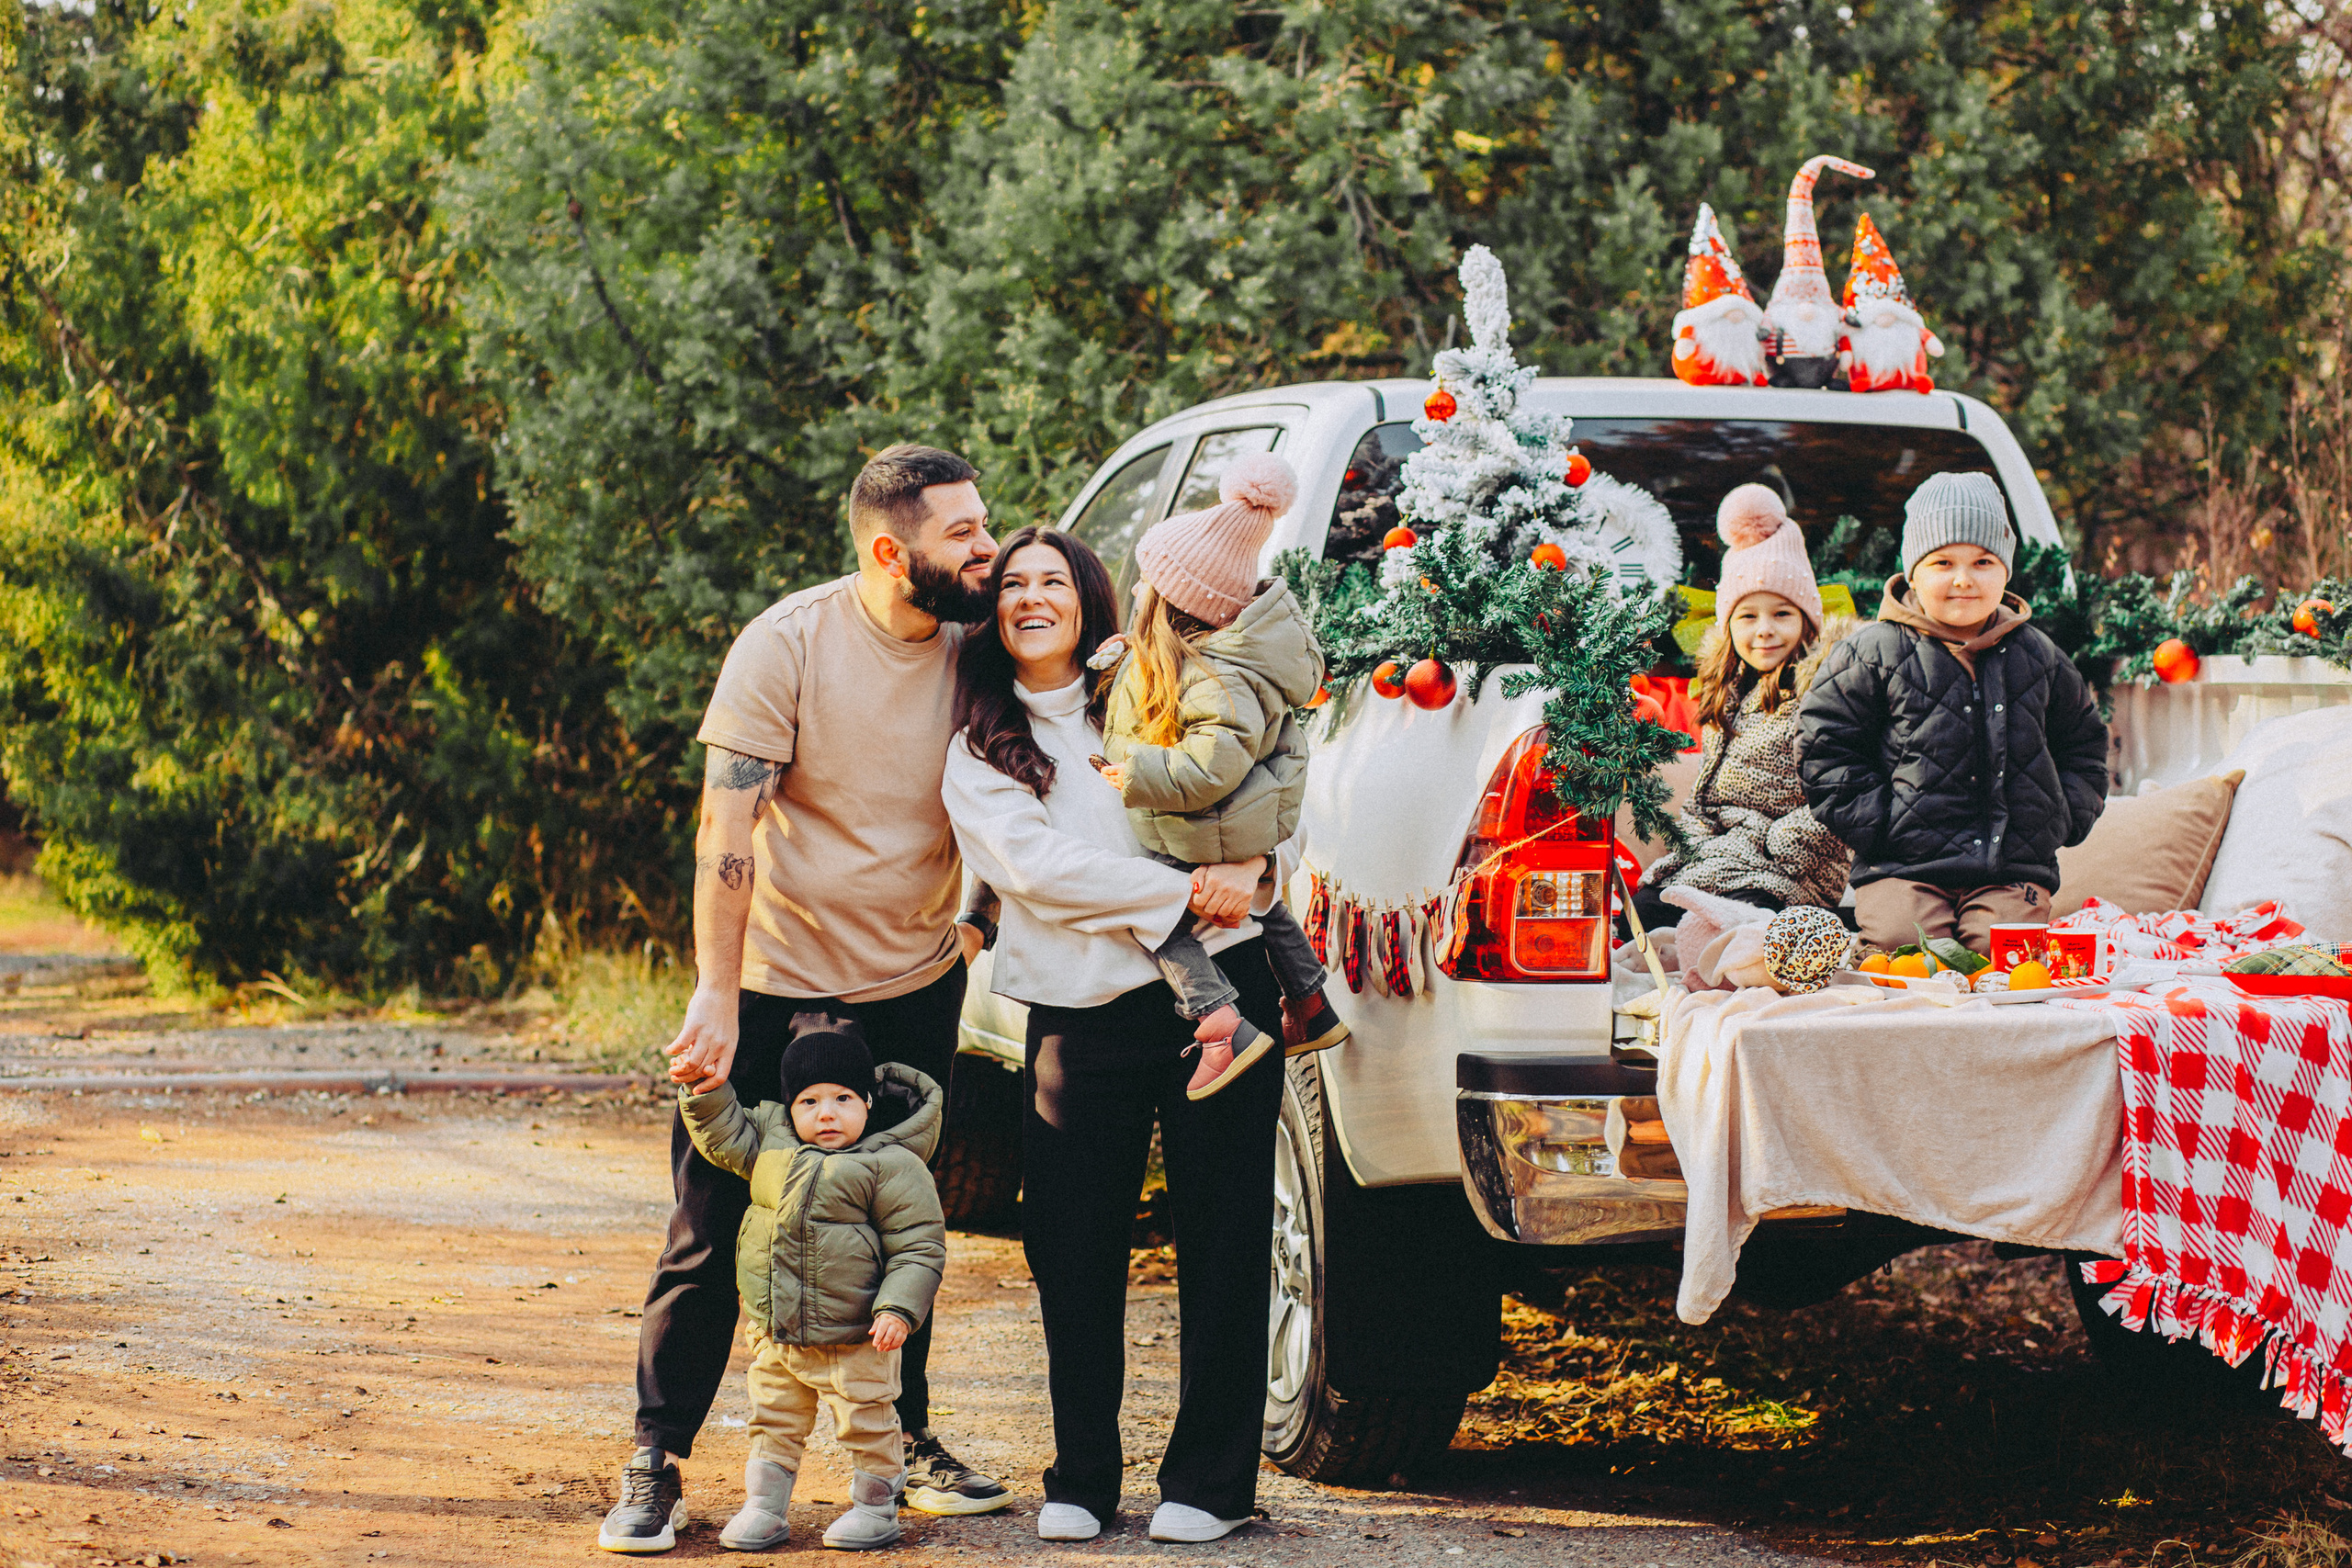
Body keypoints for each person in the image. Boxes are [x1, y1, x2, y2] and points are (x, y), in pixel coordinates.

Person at [600, 445, 1011, 1556]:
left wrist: (976, 928)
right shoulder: (786, 644)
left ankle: (902, 1446)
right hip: (775, 989)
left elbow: (1050, 773)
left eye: (984, 524)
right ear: (891, 551)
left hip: (910, 991)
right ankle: (658, 1457)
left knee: (895, 1226)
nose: (987, 546)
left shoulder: (980, 649)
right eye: (962, 532)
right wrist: (717, 997)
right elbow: (725, 832)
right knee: (714, 1226)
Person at [940, 525, 1283, 1545]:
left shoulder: (1158, 689)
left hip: (1220, 997)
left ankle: (1211, 1485)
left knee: (1224, 1242)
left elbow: (1252, 786)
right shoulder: (977, 748)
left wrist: (1258, 870)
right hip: (1077, 1017)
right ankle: (1082, 1478)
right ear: (993, 614)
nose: (1029, 597)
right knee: (1072, 1250)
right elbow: (1040, 872)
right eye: (1011, 584)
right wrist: (1190, 891)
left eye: (1052, 580)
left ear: (1093, 601)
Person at [1092, 452, 1347, 1098]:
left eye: (1148, 583)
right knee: (1272, 910)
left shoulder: (1217, 677)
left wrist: (1137, 773)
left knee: (1154, 912)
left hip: (1212, 825)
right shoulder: (1222, 661)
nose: (1138, 591)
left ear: (1169, 602)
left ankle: (1217, 1018)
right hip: (1244, 825)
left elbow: (1210, 765)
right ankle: (1312, 1002)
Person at [1795, 470, 2108, 953]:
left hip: (2011, 870)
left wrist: (2062, 816)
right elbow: (1826, 747)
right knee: (1908, 953)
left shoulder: (2039, 655)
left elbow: (2083, 743)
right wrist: (1879, 825)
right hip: (1900, 867)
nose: (1963, 578)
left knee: (2004, 959)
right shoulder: (1871, 652)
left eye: (1983, 561)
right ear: (1913, 572)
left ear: (2005, 571)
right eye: (1943, 562)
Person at [678, 1020, 947, 1552]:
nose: (826, 1113)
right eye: (808, 1102)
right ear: (789, 1109)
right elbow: (722, 1131)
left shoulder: (890, 1165)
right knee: (773, 1417)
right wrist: (705, 1088)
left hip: (858, 1335)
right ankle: (764, 1506)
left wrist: (898, 1309)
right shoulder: (771, 1149)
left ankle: (876, 1505)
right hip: (779, 1330)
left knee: (865, 1419)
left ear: (868, 1103)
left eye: (843, 1098)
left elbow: (919, 1246)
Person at [1633, 484, 1853, 931]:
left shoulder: (1827, 691)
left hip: (1793, 865)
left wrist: (1778, 845)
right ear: (1728, 626)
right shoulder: (1726, 691)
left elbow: (1841, 791)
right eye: (1748, 617)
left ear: (1807, 621)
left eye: (1783, 615)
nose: (1765, 631)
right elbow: (1705, 798)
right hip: (1724, 853)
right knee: (1644, 912)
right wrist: (1697, 843)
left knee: (1737, 922)